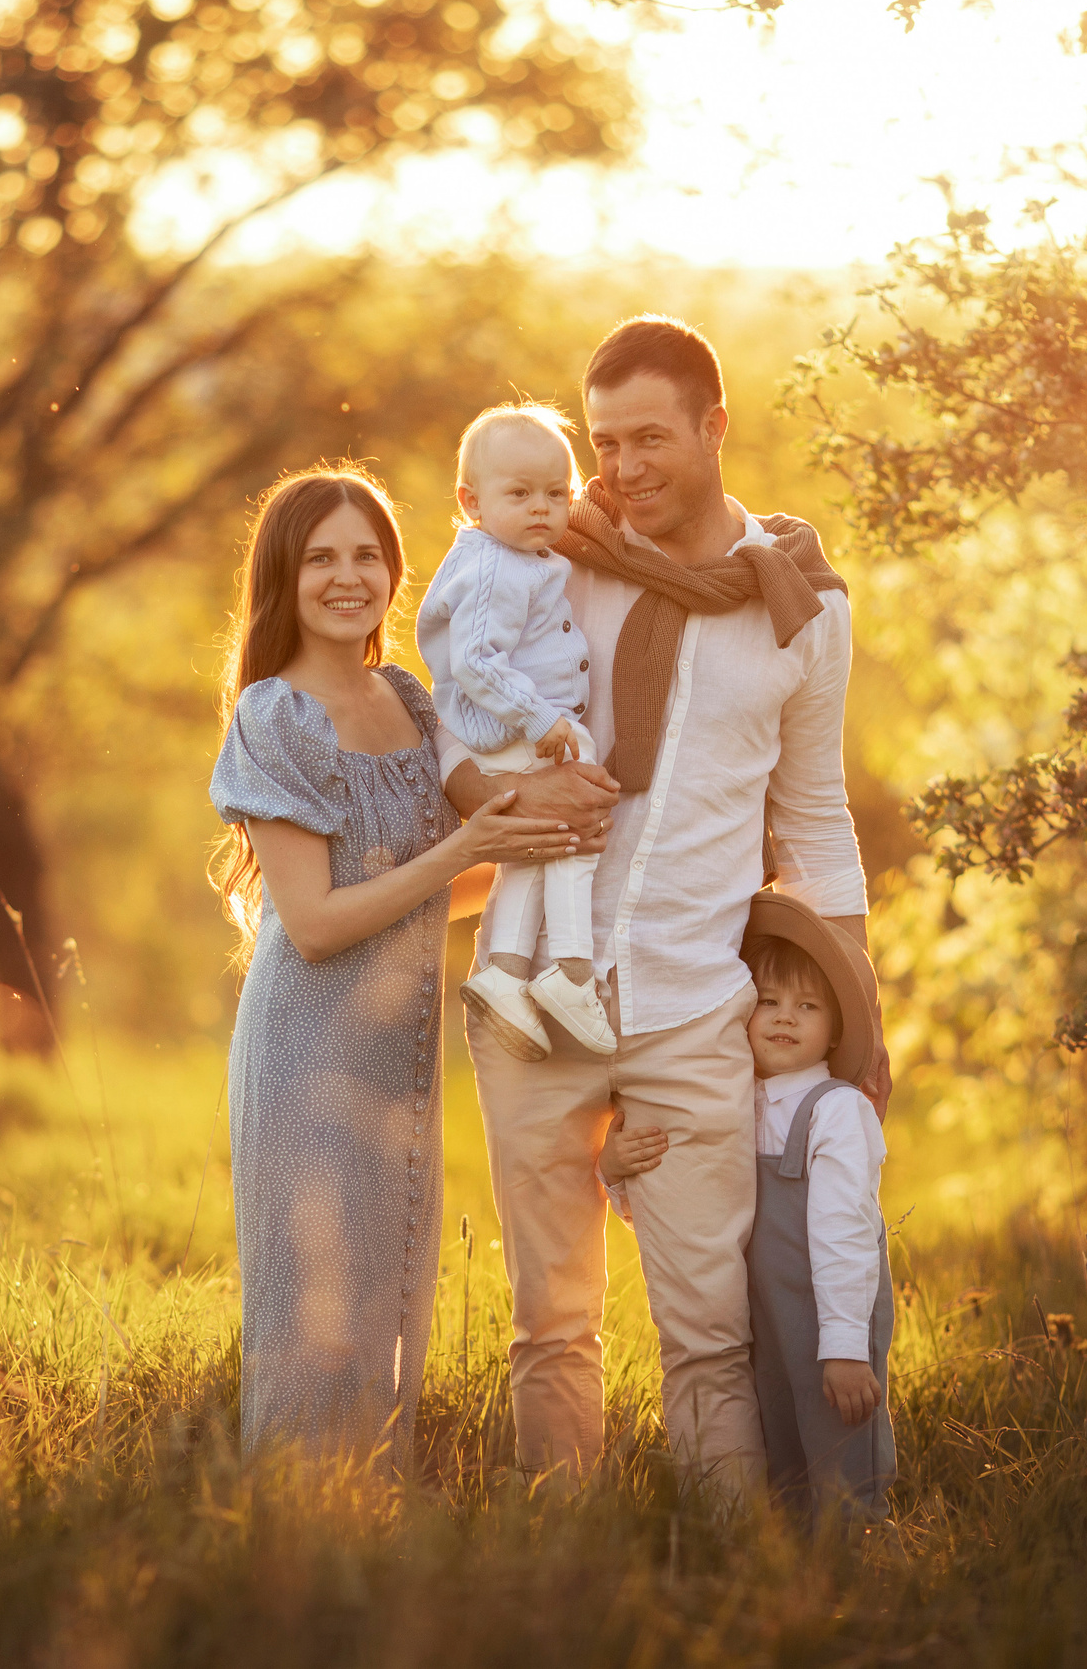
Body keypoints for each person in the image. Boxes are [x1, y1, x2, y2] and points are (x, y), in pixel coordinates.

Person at [440, 314, 891, 1495]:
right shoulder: (557, 563)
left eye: (648, 438)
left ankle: (738, 1583)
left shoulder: (801, 611)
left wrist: (858, 1012)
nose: (621, 469)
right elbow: (460, 726)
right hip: (537, 999)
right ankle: (565, 1573)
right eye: (602, 442)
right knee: (551, 1327)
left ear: (713, 427)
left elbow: (814, 818)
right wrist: (513, 786)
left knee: (708, 1335)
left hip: (696, 1013)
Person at [207, 465, 644, 1467]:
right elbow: (313, 922)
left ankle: (373, 1531)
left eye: (367, 555)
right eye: (321, 558)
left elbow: (450, 885)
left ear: (397, 572)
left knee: (390, 1308)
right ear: (283, 576)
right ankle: (292, 1533)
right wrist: (462, 851)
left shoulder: (406, 696)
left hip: (398, 1069)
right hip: (305, 1056)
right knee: (315, 1321)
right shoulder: (274, 717)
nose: (347, 576)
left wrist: (559, 839)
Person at [414, 404, 614, 1062]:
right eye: (520, 493)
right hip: (522, 727)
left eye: (558, 493)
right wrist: (544, 719)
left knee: (533, 848)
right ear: (471, 501)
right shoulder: (496, 565)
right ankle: (573, 971)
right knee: (576, 826)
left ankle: (504, 971)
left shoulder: (511, 557)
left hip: (521, 725)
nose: (542, 508)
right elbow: (474, 661)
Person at [733, 897, 895, 1522]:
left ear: (835, 1027)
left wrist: (846, 1344)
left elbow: (845, 1233)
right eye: (768, 1002)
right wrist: (616, 1170)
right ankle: (791, 1557)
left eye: (807, 1006)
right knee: (777, 1427)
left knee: (839, 1429)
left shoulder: (835, 1110)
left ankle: (858, 1550)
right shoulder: (737, 1102)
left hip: (830, 1309)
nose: (784, 1018)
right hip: (762, 1311)